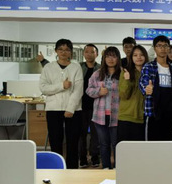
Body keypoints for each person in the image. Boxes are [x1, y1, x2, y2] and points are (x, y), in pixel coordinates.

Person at [39, 39, 83, 168]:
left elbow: (78, 90)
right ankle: (56, 168)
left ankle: (72, 169)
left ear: (71, 52)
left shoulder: (76, 67)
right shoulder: (48, 67)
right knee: (55, 141)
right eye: (61, 49)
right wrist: (61, 86)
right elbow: (43, 88)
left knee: (72, 142)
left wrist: (70, 109)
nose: (64, 52)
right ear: (56, 51)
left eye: (67, 50)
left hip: (73, 110)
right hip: (53, 109)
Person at [86, 47, 120, 169]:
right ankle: (106, 167)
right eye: (108, 56)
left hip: (116, 115)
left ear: (118, 58)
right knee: (103, 144)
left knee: (116, 144)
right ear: (104, 58)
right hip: (100, 115)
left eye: (114, 56)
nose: (111, 59)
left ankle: (117, 168)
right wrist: (99, 92)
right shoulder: (97, 74)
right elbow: (88, 90)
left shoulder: (122, 74)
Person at [140, 35, 172, 141]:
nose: (162, 48)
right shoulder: (149, 66)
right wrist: (146, 89)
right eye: (159, 46)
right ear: (155, 48)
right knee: (152, 143)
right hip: (153, 111)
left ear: (169, 48)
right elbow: (143, 82)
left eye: (165, 46)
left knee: (168, 142)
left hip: (169, 112)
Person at [118, 45, 148, 141]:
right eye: (135, 55)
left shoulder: (148, 73)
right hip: (127, 116)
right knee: (125, 148)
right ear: (131, 57)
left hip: (143, 117)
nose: (138, 57)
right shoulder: (126, 72)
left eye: (141, 55)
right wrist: (127, 80)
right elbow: (123, 95)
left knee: (139, 148)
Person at [78, 44, 101, 168]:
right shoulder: (78, 67)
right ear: (83, 54)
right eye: (86, 52)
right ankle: (82, 158)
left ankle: (95, 156)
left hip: (96, 106)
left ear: (97, 54)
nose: (89, 54)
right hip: (80, 106)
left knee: (95, 134)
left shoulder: (100, 68)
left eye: (92, 52)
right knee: (81, 134)